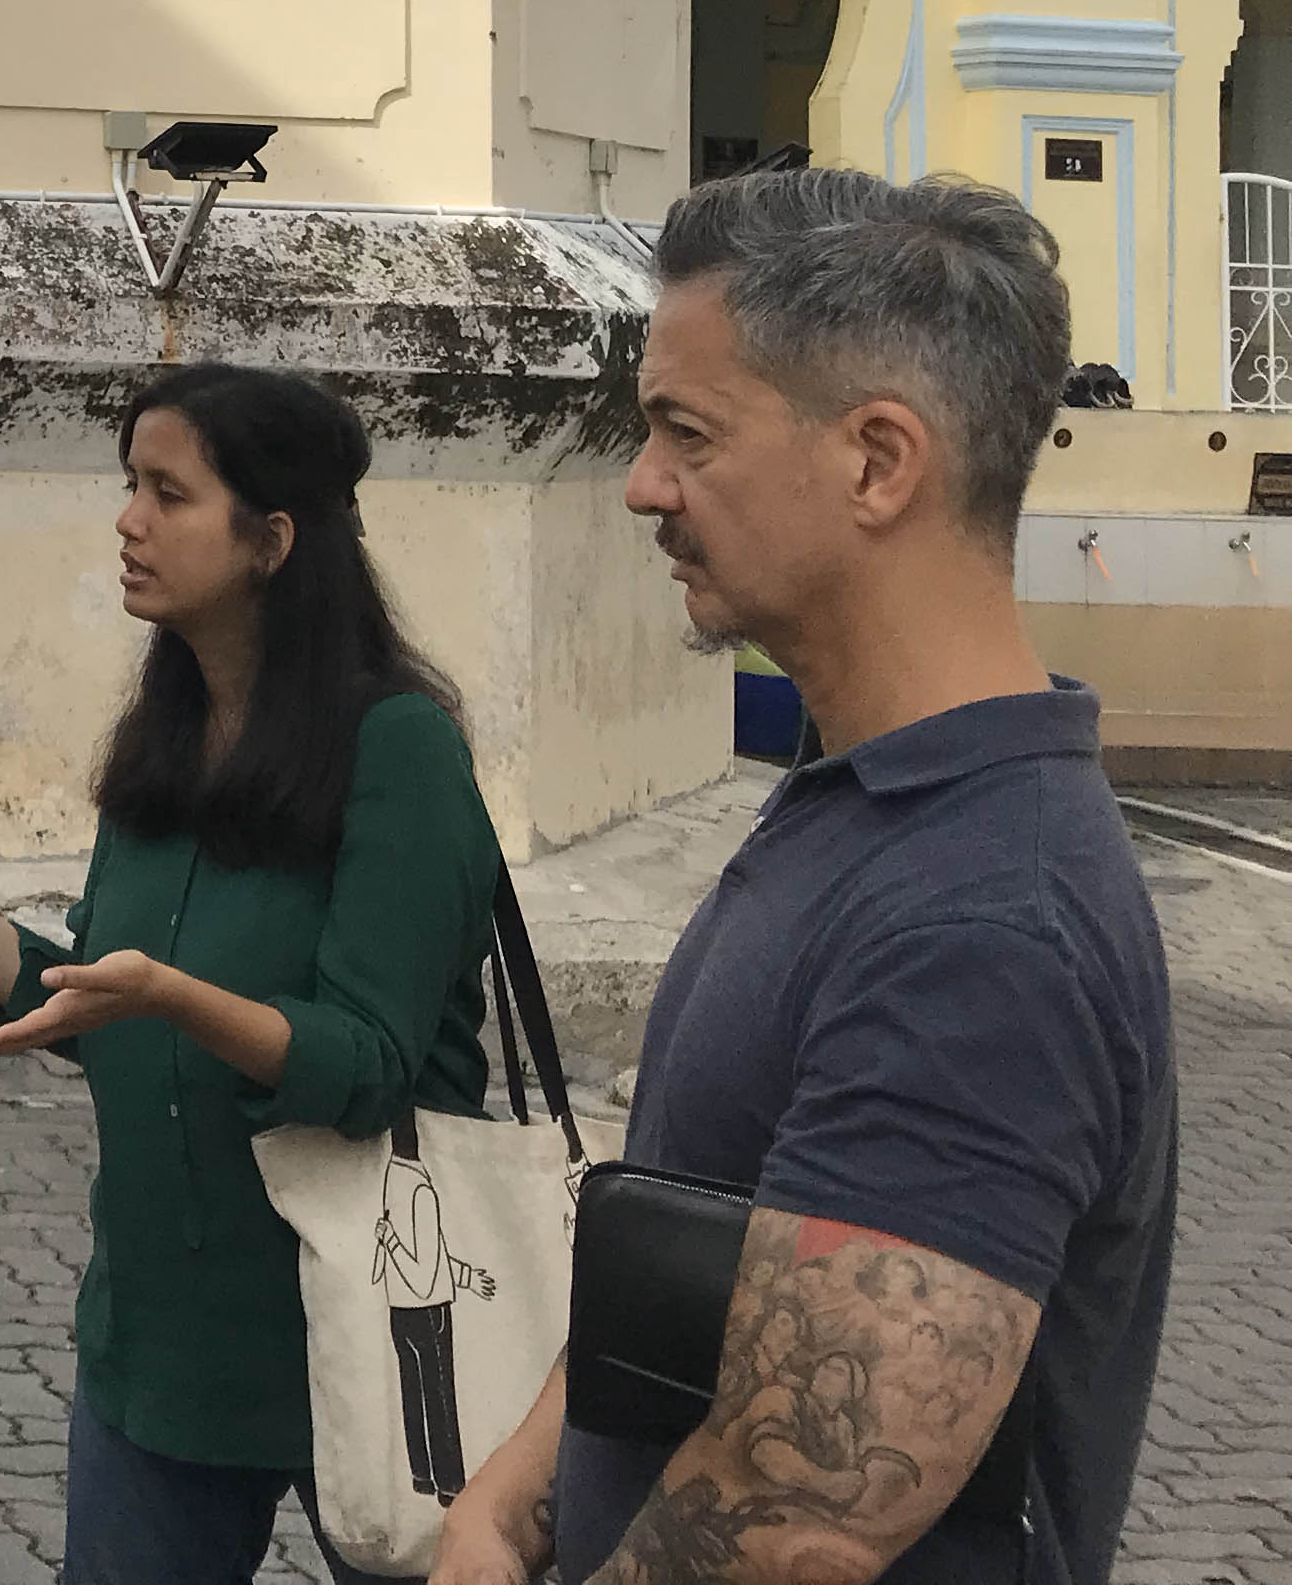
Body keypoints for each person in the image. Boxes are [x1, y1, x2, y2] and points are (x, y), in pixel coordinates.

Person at [438, 171, 1174, 1585]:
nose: (643, 484)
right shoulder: (865, 799)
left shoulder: (980, 929)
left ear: (878, 462)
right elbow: (692, 1250)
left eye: (684, 434)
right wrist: (515, 1495)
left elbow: (799, 1518)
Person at [0, 363, 509, 1585]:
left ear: (271, 541)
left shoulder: (397, 749)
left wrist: (172, 997)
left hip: (371, 1326)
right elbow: (87, 998)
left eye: (167, 494)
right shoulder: (161, 745)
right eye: (129, 486)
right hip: (162, 1341)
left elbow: (368, 1062)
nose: (127, 521)